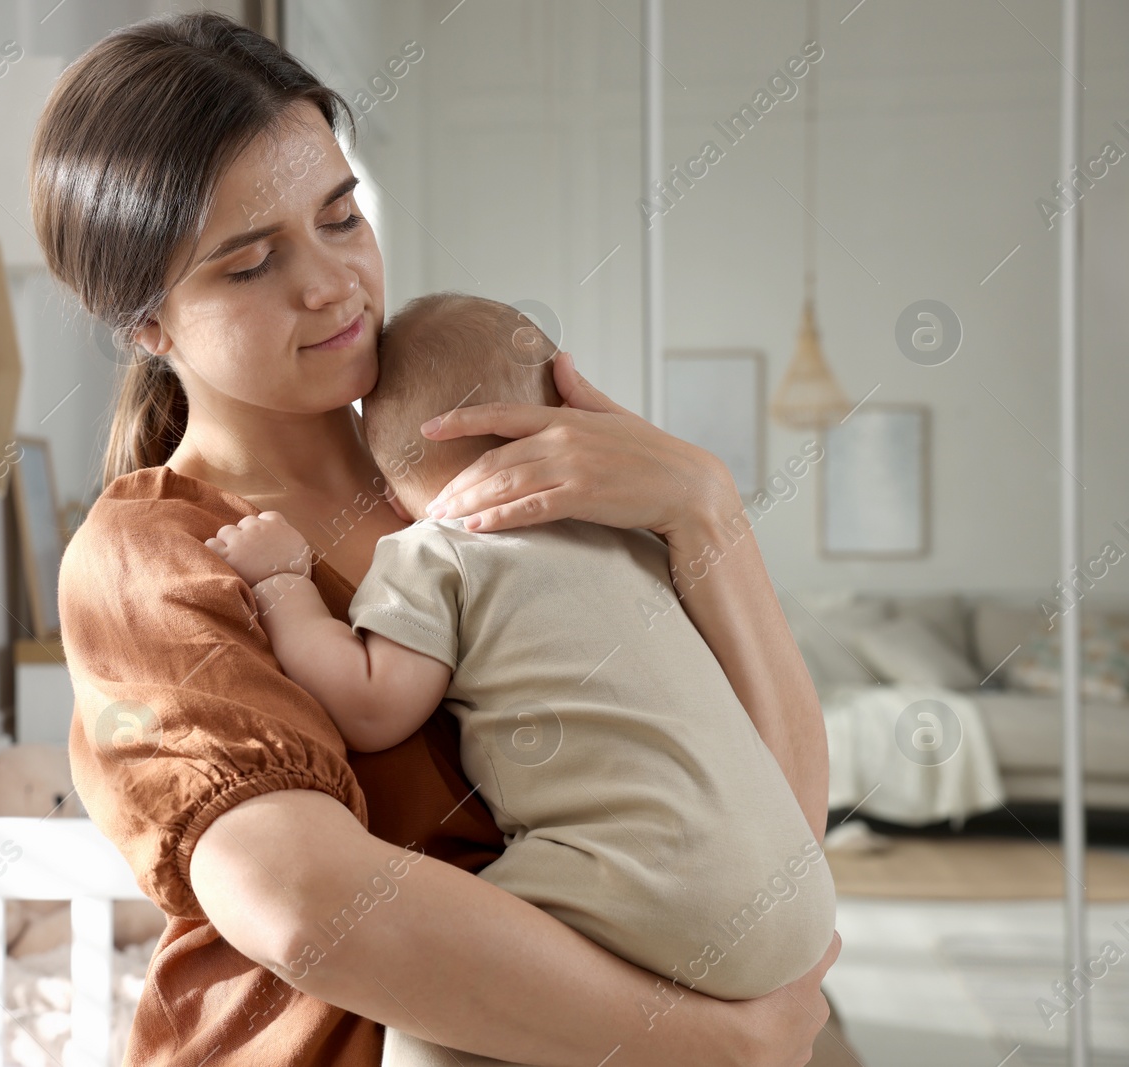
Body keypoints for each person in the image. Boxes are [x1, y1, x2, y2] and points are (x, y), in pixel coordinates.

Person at [32, 12, 840, 1066]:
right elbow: (301, 898)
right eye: (247, 264)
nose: (329, 283)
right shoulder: (157, 553)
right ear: (146, 322)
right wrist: (706, 1043)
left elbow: (765, 828)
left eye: (340, 218)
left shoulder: (489, 457)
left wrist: (706, 512)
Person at [202, 293, 836, 1066]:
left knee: (437, 1010)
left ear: (386, 459)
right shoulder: (635, 540)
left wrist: (283, 588)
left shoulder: (439, 549)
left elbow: (372, 707)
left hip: (650, 887)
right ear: (563, 415)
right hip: (795, 906)